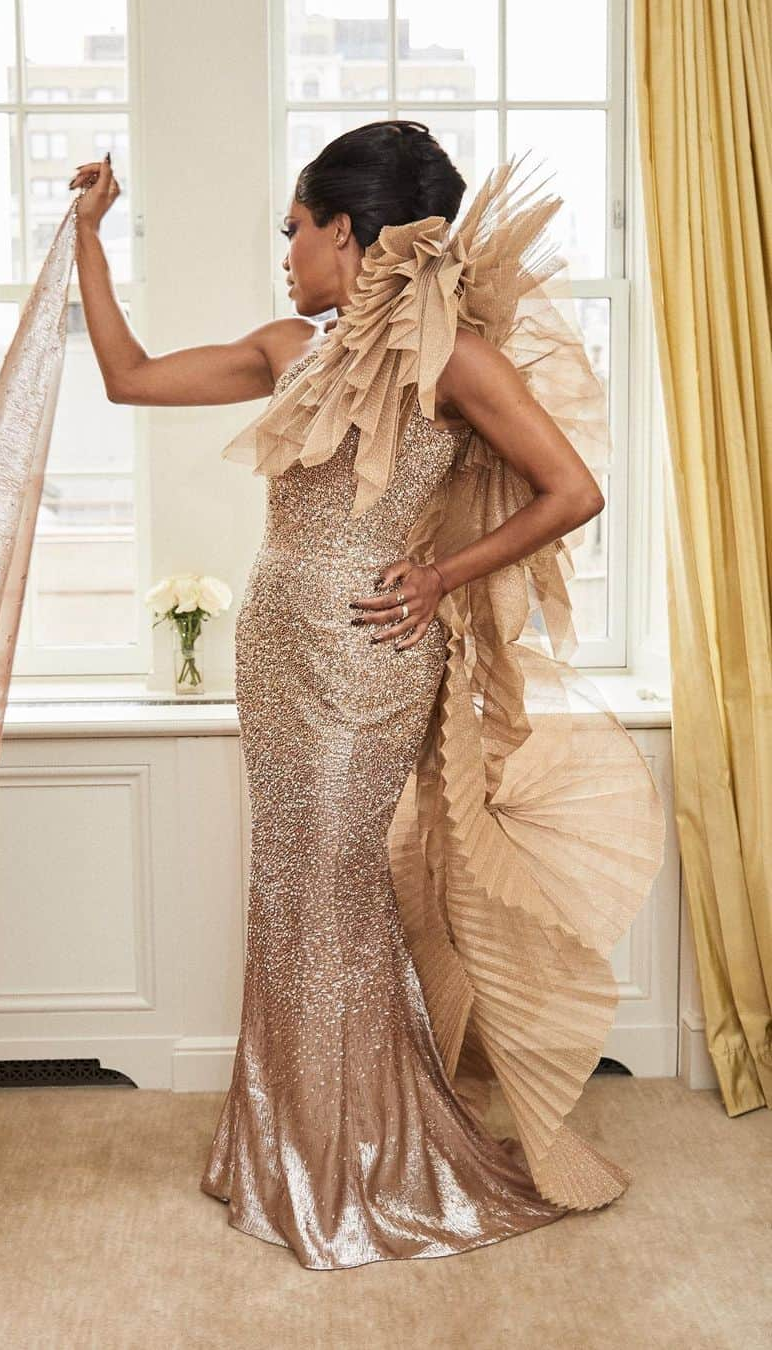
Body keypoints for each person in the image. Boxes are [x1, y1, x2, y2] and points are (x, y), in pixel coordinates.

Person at [69, 122, 665, 1269]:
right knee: (292, 884)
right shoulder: (288, 346)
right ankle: (288, 1145)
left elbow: (572, 487)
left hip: (371, 660)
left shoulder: (454, 359)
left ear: (347, 230)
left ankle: (361, 1160)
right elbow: (127, 375)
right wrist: (90, 237)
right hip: (280, 648)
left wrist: (441, 575)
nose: (284, 250)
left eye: (294, 228)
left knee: (338, 888)